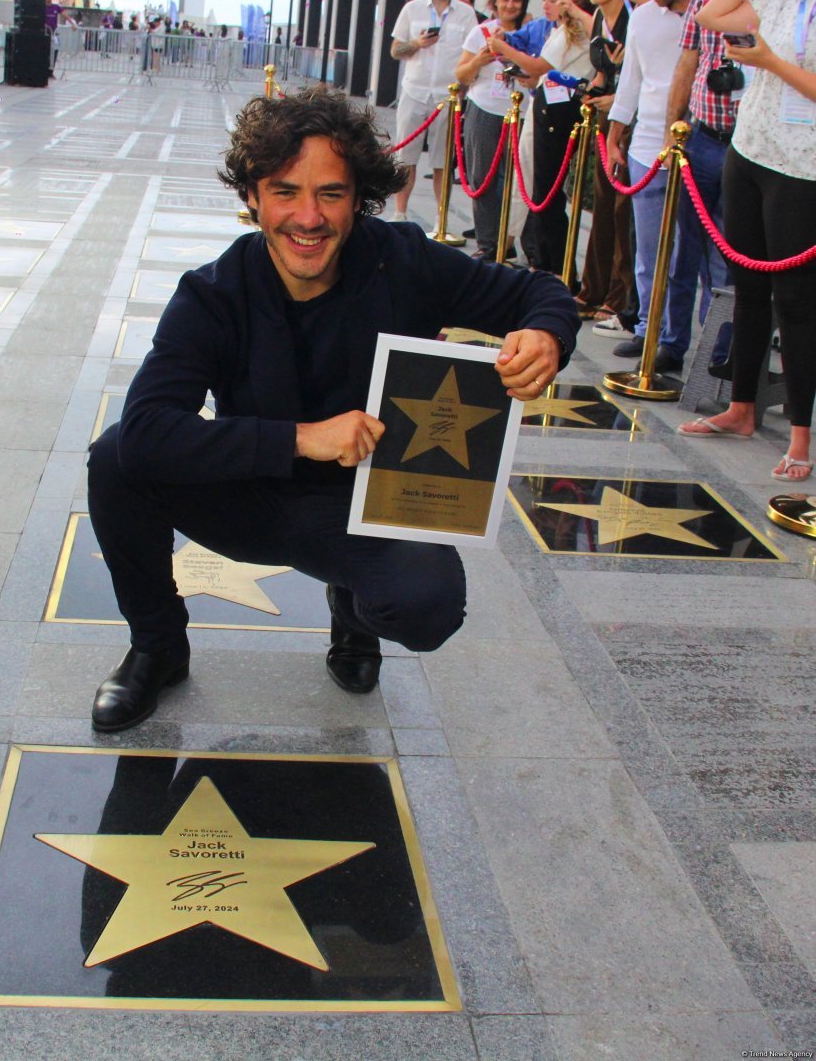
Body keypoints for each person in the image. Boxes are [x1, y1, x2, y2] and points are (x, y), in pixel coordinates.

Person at [86, 87, 580, 732]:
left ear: (359, 200)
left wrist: (545, 335)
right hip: (250, 492)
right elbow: (148, 434)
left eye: (331, 193)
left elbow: (539, 292)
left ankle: (353, 615)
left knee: (426, 608)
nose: (308, 217)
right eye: (285, 191)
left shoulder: (401, 260)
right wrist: (299, 438)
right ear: (252, 198)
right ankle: (157, 646)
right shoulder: (214, 293)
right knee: (114, 460)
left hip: (368, 502)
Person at [678, 0, 816, 481]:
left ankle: (800, 436)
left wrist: (772, 63)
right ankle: (741, 408)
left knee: (797, 301)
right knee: (748, 288)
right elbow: (710, 17)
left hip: (803, 165)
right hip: (751, 149)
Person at [605, 0, 699, 371]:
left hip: (697, 146)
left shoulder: (711, 11)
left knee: (689, 255)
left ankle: (684, 344)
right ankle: (648, 329)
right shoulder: (643, 17)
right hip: (646, 146)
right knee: (648, 251)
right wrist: (614, 136)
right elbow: (631, 82)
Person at [489, 0, 595, 273]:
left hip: (560, 112)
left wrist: (502, 48)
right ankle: (547, 263)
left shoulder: (577, 30)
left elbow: (541, 66)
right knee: (540, 191)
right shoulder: (561, 30)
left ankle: (557, 268)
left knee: (547, 194)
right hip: (547, 104)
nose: (546, 4)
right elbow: (543, 70)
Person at [573, 0, 635, 322]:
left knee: (622, 211)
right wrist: (593, 90)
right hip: (602, 122)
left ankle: (619, 296)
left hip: (629, 123)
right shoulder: (598, 16)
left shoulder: (634, 15)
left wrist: (618, 100)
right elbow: (601, 72)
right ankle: (592, 289)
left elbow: (638, 77)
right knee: (601, 205)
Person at [389, 0, 477, 221]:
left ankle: (441, 219)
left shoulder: (467, 14)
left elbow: (473, 54)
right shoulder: (412, 9)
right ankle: (400, 213)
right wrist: (418, 43)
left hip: (447, 96)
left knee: (442, 162)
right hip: (414, 91)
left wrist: (463, 91)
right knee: (406, 157)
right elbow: (395, 51)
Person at [456, 0, 531, 260]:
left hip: (521, 113)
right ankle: (488, 242)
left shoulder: (529, 33)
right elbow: (461, 74)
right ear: (495, 2)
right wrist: (479, 60)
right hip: (485, 109)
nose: (511, 5)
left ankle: (514, 242)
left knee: (520, 182)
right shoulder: (480, 32)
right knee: (483, 177)